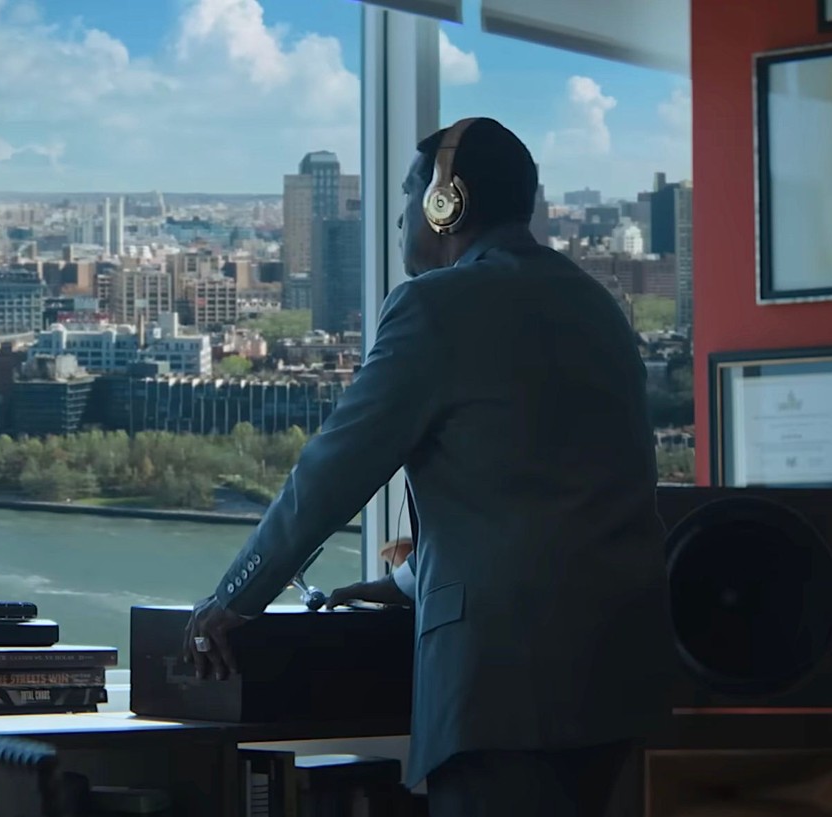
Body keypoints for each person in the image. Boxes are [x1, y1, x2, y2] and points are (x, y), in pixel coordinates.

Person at [183, 117, 672, 815]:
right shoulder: (597, 304)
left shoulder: (436, 306)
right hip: (618, 675)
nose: (402, 216)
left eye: (411, 193)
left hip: (502, 684)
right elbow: (544, 487)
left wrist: (234, 597)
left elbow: (332, 472)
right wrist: (409, 582)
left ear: (448, 202)